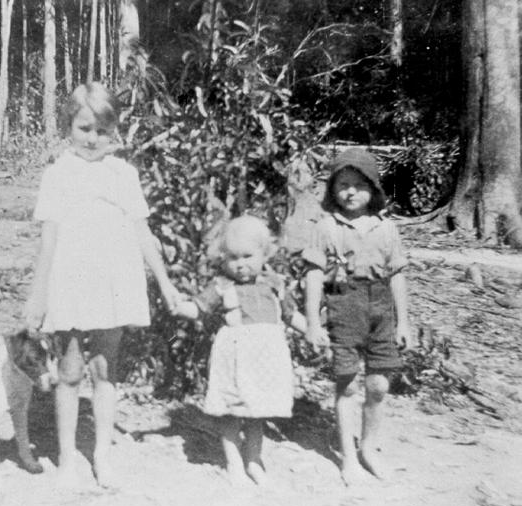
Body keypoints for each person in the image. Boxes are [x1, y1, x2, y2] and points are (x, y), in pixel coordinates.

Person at [24, 82, 180, 488]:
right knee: (70, 369)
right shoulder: (57, 175)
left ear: (114, 131)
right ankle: (66, 460)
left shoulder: (122, 174)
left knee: (106, 369)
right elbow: (49, 241)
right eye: (84, 128)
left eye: (102, 130)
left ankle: (101, 456)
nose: (92, 138)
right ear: (69, 127)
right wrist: (38, 296)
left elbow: (142, 233)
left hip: (113, 281)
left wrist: (164, 284)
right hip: (71, 281)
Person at [302, 148, 413, 485]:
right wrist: (310, 321)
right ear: (332, 190)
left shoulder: (386, 229)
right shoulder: (326, 227)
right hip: (343, 307)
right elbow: (313, 275)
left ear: (374, 189)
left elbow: (397, 275)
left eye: (358, 184)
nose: (350, 192)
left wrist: (403, 321)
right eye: (342, 184)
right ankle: (347, 458)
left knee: (378, 386)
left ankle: (368, 448)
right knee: (348, 384)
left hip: (380, 309)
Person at [173, 215, 306, 486]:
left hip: (266, 357)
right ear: (224, 258)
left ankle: (254, 459)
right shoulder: (222, 285)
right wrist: (179, 306)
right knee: (233, 410)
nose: (241, 264)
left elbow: (292, 316)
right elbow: (199, 307)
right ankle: (234, 462)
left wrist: (314, 331)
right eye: (233, 257)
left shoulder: (274, 284)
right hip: (235, 357)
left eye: (248, 256)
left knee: (257, 411)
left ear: (265, 253)